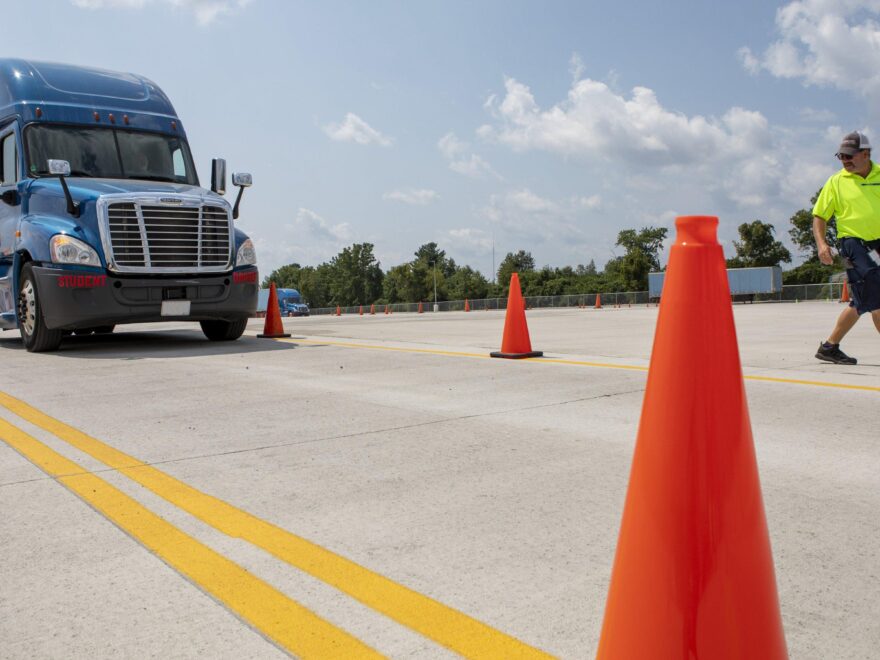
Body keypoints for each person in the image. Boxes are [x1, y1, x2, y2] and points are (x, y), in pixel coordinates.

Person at [812, 131, 880, 364]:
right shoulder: (836, 182)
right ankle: (829, 347)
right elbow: (820, 216)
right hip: (853, 244)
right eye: (841, 156)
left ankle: (829, 347)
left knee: (863, 301)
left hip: (877, 244)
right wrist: (822, 244)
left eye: (850, 156)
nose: (846, 161)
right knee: (876, 291)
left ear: (866, 154)